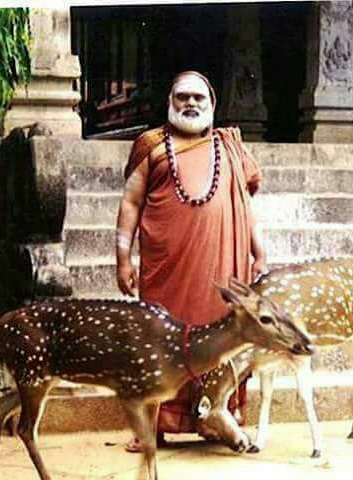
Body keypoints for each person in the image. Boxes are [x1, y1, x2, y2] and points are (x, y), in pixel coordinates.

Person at [115, 70, 266, 452]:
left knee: (218, 339)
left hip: (221, 269)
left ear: (212, 104)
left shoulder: (229, 148)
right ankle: (153, 427)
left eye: (199, 98)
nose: (191, 103)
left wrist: (259, 252)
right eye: (183, 96)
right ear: (170, 101)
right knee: (160, 340)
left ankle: (215, 416)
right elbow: (131, 202)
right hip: (166, 271)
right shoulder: (151, 145)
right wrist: (123, 259)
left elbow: (246, 207)